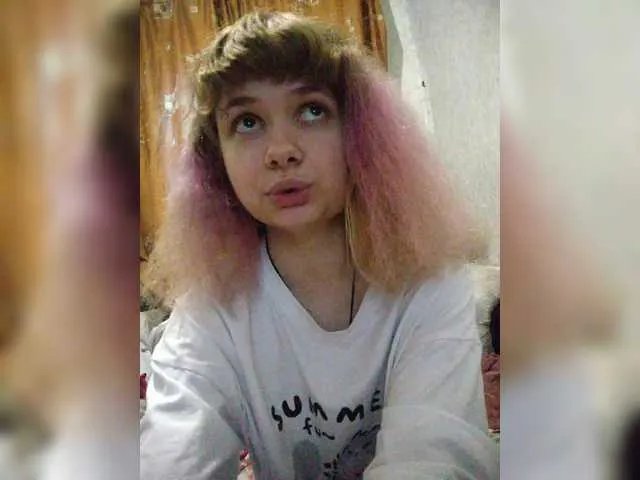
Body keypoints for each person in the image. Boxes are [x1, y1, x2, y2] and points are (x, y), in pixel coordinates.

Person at [141, 10, 497, 480]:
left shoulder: (430, 281)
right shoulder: (209, 312)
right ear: (217, 160)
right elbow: (172, 459)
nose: (281, 151)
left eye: (312, 111)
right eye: (247, 122)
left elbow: (433, 460)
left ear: (361, 134)